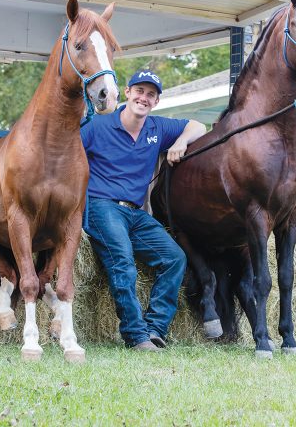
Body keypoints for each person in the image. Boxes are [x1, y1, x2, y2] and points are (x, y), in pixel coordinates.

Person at [81, 70, 207, 351]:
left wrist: (180, 141)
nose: (144, 98)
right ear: (127, 93)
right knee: (122, 262)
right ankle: (135, 335)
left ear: (157, 101)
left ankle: (155, 329)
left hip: (137, 214)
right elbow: (68, 155)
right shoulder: (98, 126)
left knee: (174, 258)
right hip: (103, 206)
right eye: (139, 91)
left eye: (151, 94)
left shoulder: (157, 128)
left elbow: (199, 126)